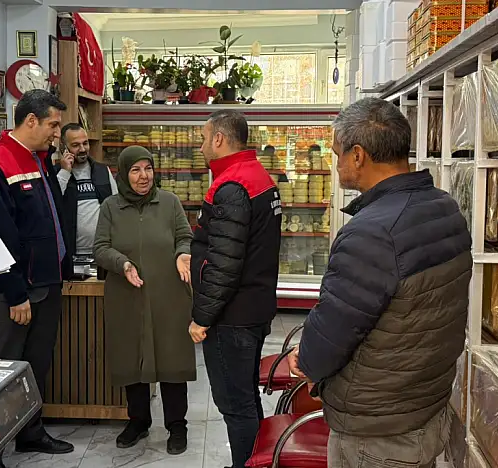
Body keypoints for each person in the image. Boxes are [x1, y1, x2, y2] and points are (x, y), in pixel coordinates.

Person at [287, 98, 472, 468]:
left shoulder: (372, 233)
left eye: (337, 153)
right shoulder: (444, 207)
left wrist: (305, 361)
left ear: (358, 156)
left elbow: (335, 329)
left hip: (378, 429)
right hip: (422, 405)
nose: (334, 162)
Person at [0, 89, 73, 468]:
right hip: (18, 292)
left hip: (47, 285)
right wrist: (14, 294)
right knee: (5, 370)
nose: (56, 133)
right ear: (30, 121)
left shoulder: (38, 159)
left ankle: (31, 433)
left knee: (36, 365)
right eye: (52, 125)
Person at [188, 109, 282, 468]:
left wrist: (201, 317)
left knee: (235, 404)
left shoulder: (232, 186)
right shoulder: (258, 176)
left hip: (233, 317)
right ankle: (254, 462)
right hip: (254, 309)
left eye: (202, 138)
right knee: (246, 399)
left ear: (219, 139)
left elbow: (225, 265)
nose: (200, 146)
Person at [93, 146, 196, 455]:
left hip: (168, 295)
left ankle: (177, 426)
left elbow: (185, 236)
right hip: (127, 296)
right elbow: (100, 247)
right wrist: (121, 263)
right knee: (132, 356)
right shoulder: (111, 207)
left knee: (171, 358)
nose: (143, 176)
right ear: (124, 174)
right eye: (135, 170)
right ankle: (138, 421)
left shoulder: (170, 202)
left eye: (147, 168)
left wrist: (183, 254)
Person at [57, 122, 117, 277]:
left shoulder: (103, 171)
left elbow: (116, 208)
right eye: (76, 145)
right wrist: (65, 172)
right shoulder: (56, 173)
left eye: (85, 143)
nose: (83, 149)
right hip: (70, 256)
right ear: (64, 147)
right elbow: (53, 204)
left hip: (102, 253)